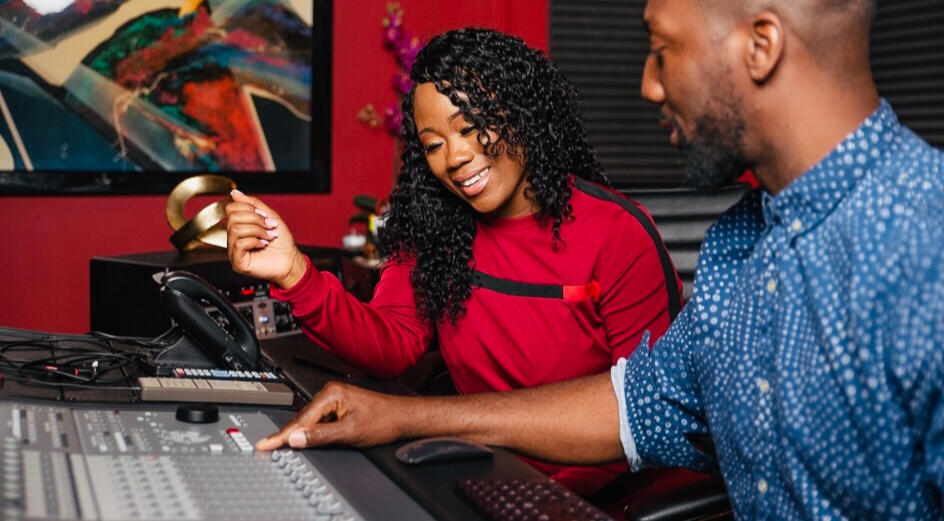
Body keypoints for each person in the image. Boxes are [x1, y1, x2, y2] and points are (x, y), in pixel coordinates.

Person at [253, 0, 944, 519]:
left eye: (662, 49)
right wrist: (404, 418)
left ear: (761, 45)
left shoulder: (923, 250)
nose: (647, 86)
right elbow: (633, 405)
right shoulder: (739, 246)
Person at [226, 28, 685, 496]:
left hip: (598, 494)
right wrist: (294, 274)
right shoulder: (435, 227)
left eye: (469, 127)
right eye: (433, 144)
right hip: (483, 475)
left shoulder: (618, 232)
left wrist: (538, 495)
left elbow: (651, 413)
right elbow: (391, 343)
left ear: (524, 112)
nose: (456, 156)